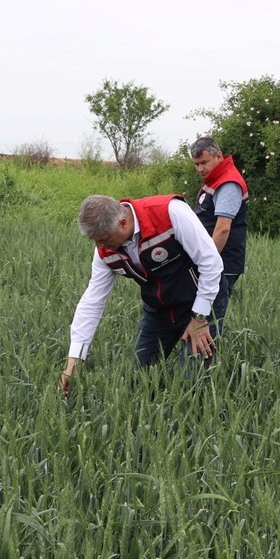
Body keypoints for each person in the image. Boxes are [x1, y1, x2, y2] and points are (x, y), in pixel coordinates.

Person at [58, 194, 223, 393]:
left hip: (201, 303)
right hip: (159, 310)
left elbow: (211, 262)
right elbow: (92, 301)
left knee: (190, 384)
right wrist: (73, 362)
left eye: (104, 240)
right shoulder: (104, 252)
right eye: (95, 242)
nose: (100, 247)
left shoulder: (169, 212)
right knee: (135, 380)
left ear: (123, 223)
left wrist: (199, 317)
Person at [189, 136, 248, 335]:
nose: (200, 169)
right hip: (212, 263)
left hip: (221, 265)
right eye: (196, 164)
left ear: (219, 156)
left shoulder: (228, 183)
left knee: (208, 324)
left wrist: (208, 264)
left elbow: (222, 229)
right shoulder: (216, 179)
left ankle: (205, 364)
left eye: (204, 162)